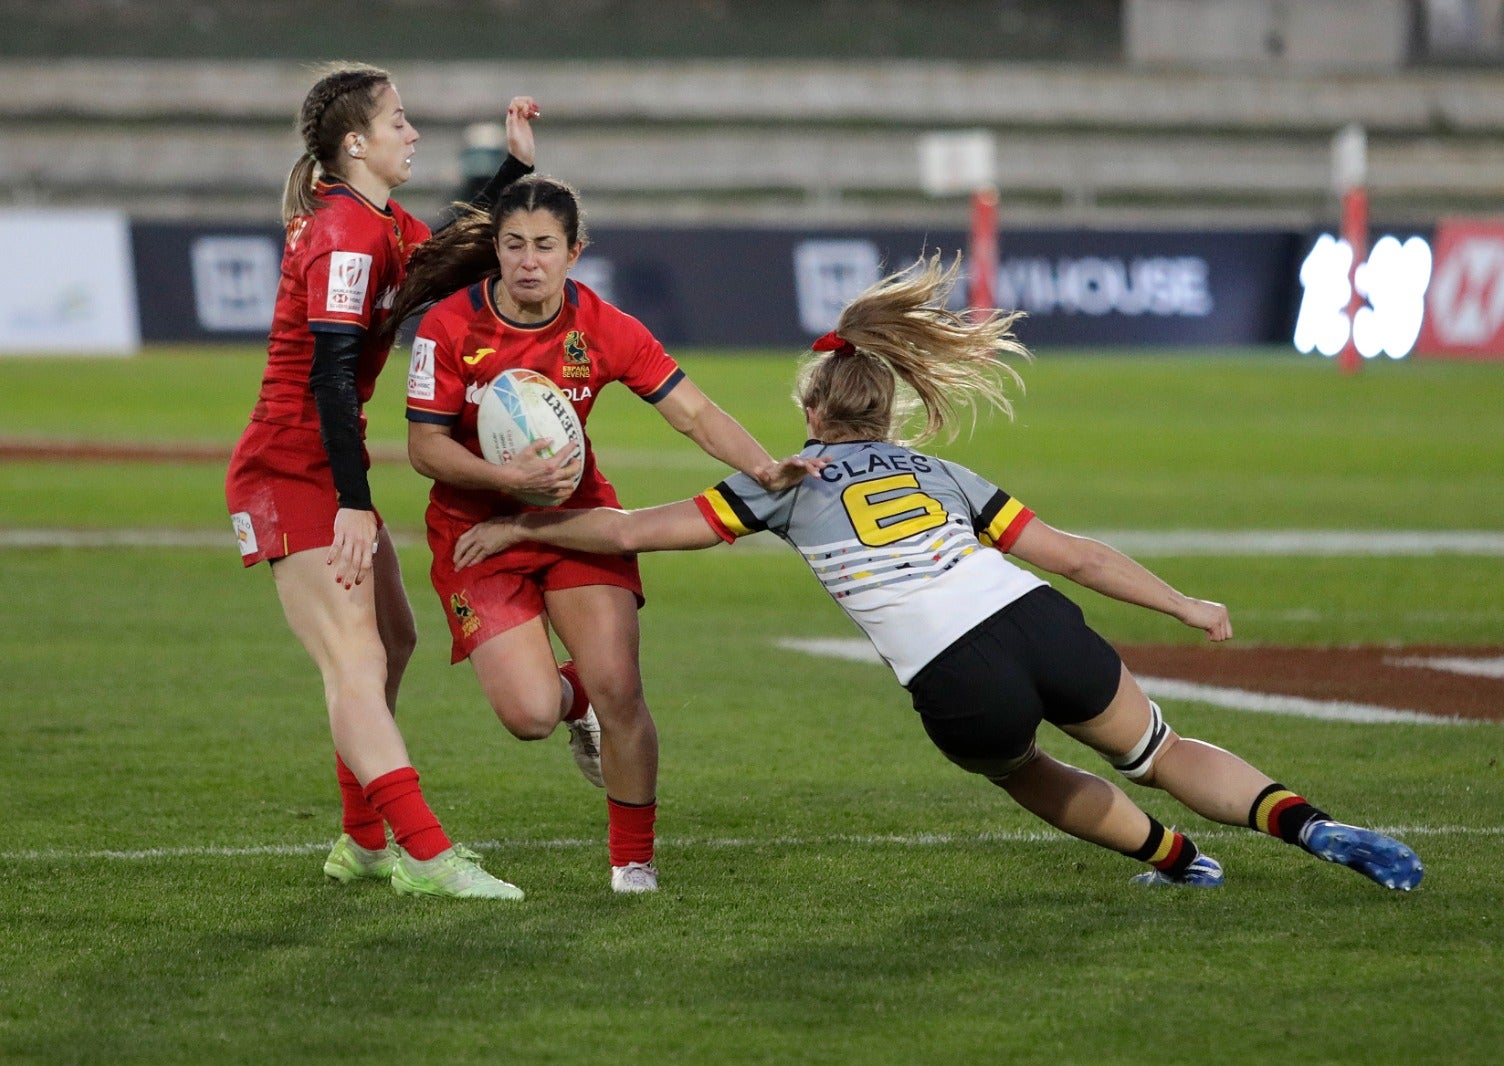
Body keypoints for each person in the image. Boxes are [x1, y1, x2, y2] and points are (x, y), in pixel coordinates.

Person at [452, 254, 1426, 893]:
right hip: (1038, 617)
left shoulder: (785, 479)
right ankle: (1308, 824)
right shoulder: (943, 471)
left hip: (953, 674)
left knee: (1024, 767)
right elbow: (1076, 555)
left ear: (812, 410)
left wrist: (524, 529)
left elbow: (631, 531)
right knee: (1161, 747)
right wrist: (1182, 602)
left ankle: (1175, 859)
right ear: (886, 408)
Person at [393, 174, 818, 894]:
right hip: (475, 528)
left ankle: (633, 863)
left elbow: (694, 412)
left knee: (620, 685)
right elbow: (424, 448)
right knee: (529, 714)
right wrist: (508, 485)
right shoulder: (447, 328)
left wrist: (763, 464)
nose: (529, 261)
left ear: (575, 252)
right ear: (495, 249)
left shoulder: (604, 327)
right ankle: (573, 700)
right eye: (515, 245)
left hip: (573, 518)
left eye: (546, 246)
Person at [224, 62, 543, 901]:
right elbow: (331, 374)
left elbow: (440, 258)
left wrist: (513, 173)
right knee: (356, 660)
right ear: (356, 141)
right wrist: (354, 503)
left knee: (391, 643)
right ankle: (428, 855)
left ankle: (363, 844)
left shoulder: (370, 219)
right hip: (291, 471)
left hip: (317, 463)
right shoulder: (341, 234)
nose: (413, 134)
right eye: (400, 120)